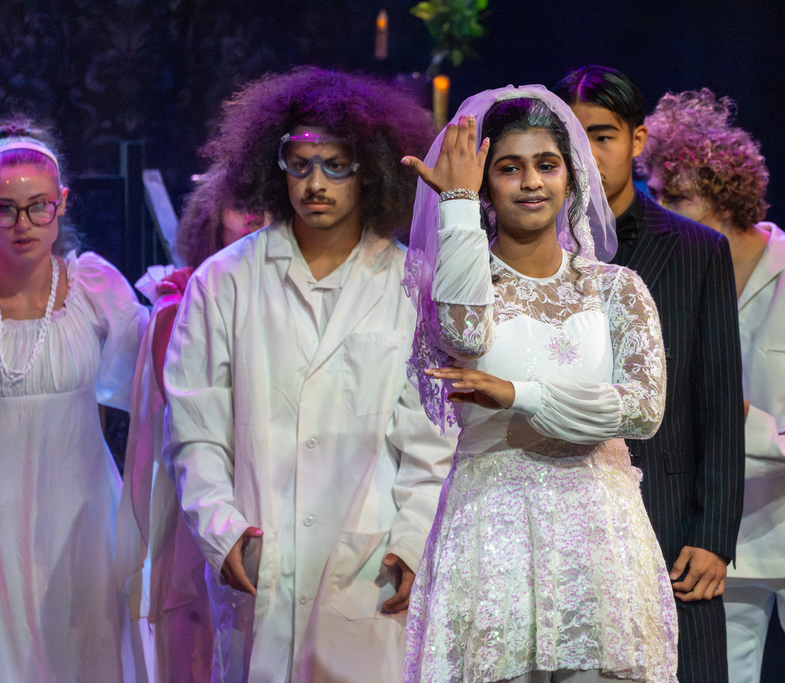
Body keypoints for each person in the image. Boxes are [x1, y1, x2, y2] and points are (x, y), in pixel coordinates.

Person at [161, 67, 455, 682]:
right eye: (299, 164)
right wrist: (223, 531)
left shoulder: (413, 283)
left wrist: (410, 543)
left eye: (335, 165)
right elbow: (194, 426)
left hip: (368, 565)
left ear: (370, 168)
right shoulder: (224, 282)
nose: (314, 183)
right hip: (260, 559)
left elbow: (433, 441)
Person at [401, 86, 677, 682]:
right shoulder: (460, 289)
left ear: (571, 179)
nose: (531, 182)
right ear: (484, 186)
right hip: (492, 526)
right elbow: (465, 332)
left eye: (546, 165)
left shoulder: (617, 288)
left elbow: (643, 411)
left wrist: (518, 394)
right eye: (509, 168)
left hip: (599, 530)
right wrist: (454, 202)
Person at [639, 88, 785, 682]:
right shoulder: (670, 281)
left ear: (725, 197)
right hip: (718, 543)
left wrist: (736, 420)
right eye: (657, 194)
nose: (662, 208)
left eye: (680, 197)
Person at [554, 66, 745, 682]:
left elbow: (717, 398)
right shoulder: (530, 246)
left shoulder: (696, 250)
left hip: (666, 520)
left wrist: (714, 533)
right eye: (572, 139)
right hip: (559, 512)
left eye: (602, 136)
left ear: (638, 142)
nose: (588, 154)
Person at [0, 116, 149, 681]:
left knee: (82, 650)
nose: (23, 224)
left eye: (39, 206)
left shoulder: (91, 285)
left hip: (79, 514)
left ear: (61, 204)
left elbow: (159, 369)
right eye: (6, 208)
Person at [115, 166, 269, 683]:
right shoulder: (179, 299)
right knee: (201, 635)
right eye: (240, 207)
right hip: (206, 493)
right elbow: (184, 399)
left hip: (278, 485)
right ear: (212, 219)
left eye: (265, 205)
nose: (255, 218)